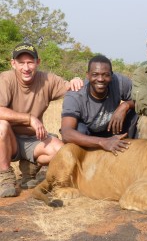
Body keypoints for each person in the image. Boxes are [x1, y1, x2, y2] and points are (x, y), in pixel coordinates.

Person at [0, 42, 83, 197]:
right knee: (1, 126)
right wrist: (29, 118)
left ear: (38, 62)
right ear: (13, 64)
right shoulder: (5, 79)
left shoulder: (47, 79)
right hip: (8, 141)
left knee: (62, 151)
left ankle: (31, 165)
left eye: (30, 62)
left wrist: (76, 80)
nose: (26, 68)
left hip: (34, 139)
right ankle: (5, 175)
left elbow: (71, 87)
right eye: (21, 63)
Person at [60, 55, 138, 156]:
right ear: (87, 75)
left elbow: (144, 101)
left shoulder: (120, 82)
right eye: (95, 74)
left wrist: (125, 105)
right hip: (89, 135)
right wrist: (103, 142)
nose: (100, 79)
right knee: (79, 129)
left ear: (111, 75)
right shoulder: (75, 95)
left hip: (114, 130)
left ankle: (134, 154)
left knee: (137, 112)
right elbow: (66, 133)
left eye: (106, 75)